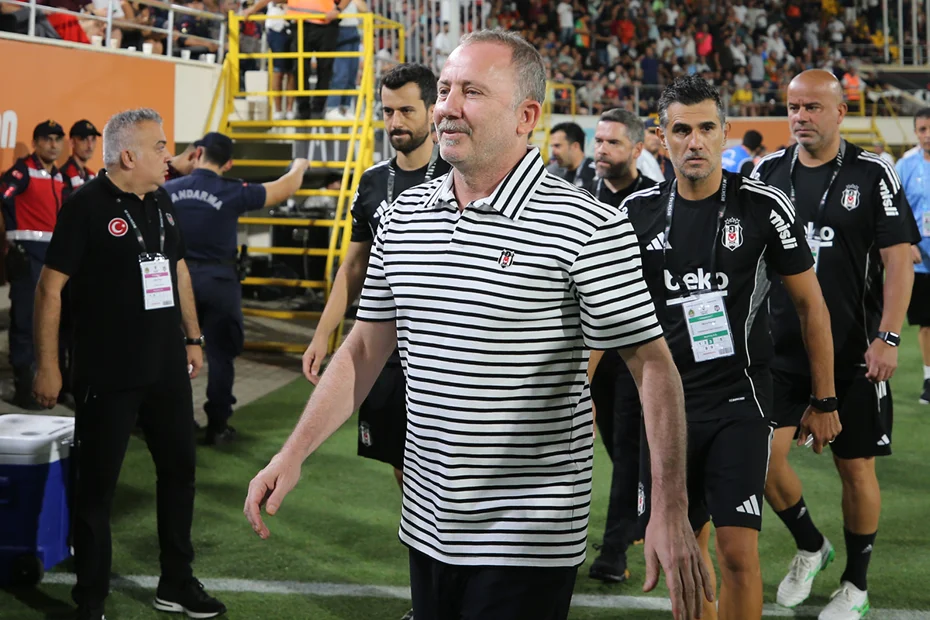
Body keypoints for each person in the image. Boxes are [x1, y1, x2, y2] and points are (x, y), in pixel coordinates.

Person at [247, 30, 713, 620]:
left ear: (526, 117)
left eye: (471, 92)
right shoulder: (403, 216)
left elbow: (653, 367)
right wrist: (293, 453)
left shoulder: (588, 225)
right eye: (444, 89)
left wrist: (668, 506)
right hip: (426, 523)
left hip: (529, 535)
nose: (447, 106)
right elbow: (364, 348)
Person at [625, 75, 835, 620]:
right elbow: (605, 316)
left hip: (740, 401)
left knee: (737, 551)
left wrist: (825, 399)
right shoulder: (635, 213)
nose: (694, 141)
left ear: (726, 133)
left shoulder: (763, 206)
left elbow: (811, 305)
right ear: (662, 137)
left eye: (706, 128)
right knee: (683, 552)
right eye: (681, 130)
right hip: (664, 407)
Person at [32, 108, 226, 620]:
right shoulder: (84, 207)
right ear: (128, 156)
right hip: (107, 372)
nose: (169, 155)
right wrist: (47, 366)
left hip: (165, 368)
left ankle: (176, 583)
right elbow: (49, 289)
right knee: (96, 491)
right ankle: (90, 600)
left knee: (179, 474)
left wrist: (193, 337)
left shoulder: (161, 200)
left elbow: (177, 269)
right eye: (159, 147)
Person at [752, 69, 916, 620]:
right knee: (760, 458)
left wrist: (887, 336)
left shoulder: (872, 172)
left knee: (855, 467)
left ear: (841, 112)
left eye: (813, 107)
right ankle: (810, 545)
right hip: (780, 350)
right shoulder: (767, 171)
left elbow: (899, 259)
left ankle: (856, 583)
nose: (800, 117)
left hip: (853, 352)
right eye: (793, 107)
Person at [303, 62, 450, 480]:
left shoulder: (458, 175)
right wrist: (322, 334)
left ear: (432, 111)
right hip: (384, 349)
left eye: (406, 111)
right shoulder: (371, 182)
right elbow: (353, 267)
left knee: (447, 464)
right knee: (400, 464)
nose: (395, 122)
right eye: (388, 111)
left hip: (441, 347)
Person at [165, 132, 309, 445]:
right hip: (220, 283)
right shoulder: (232, 191)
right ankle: (217, 425)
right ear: (228, 164)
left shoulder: (168, 190)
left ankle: (178, 422)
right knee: (221, 355)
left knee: (174, 354)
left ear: (197, 153)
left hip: (176, 281)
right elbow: (284, 188)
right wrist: (300, 165)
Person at [587, 107, 657, 584]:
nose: (602, 150)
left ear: (636, 149)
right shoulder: (581, 198)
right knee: (615, 445)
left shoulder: (655, 203)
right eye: (599, 141)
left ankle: (614, 552)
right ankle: (635, 519)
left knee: (629, 448)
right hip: (591, 347)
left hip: (634, 349)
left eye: (612, 143)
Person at [0, 120, 67, 410]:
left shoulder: (58, 176)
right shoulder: (22, 171)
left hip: (52, 259)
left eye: (57, 139)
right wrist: (11, 238)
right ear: (36, 143)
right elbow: (3, 196)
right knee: (25, 323)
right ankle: (23, 388)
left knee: (49, 322)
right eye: (47, 139)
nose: (53, 144)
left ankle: (46, 383)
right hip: (27, 258)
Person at [897, 107, 930, 403]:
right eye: (922, 129)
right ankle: (929, 378)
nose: (927, 135)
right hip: (921, 260)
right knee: (927, 322)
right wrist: (908, 242)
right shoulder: (905, 166)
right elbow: (896, 210)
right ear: (916, 132)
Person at [546, 121, 596, 189]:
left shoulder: (595, 175)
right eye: (552, 146)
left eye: (557, 146)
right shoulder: (553, 173)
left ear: (575, 146)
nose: (553, 152)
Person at [61, 119, 102, 200]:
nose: (90, 145)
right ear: (72, 142)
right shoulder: (63, 175)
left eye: (93, 139)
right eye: (84, 139)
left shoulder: (92, 176)